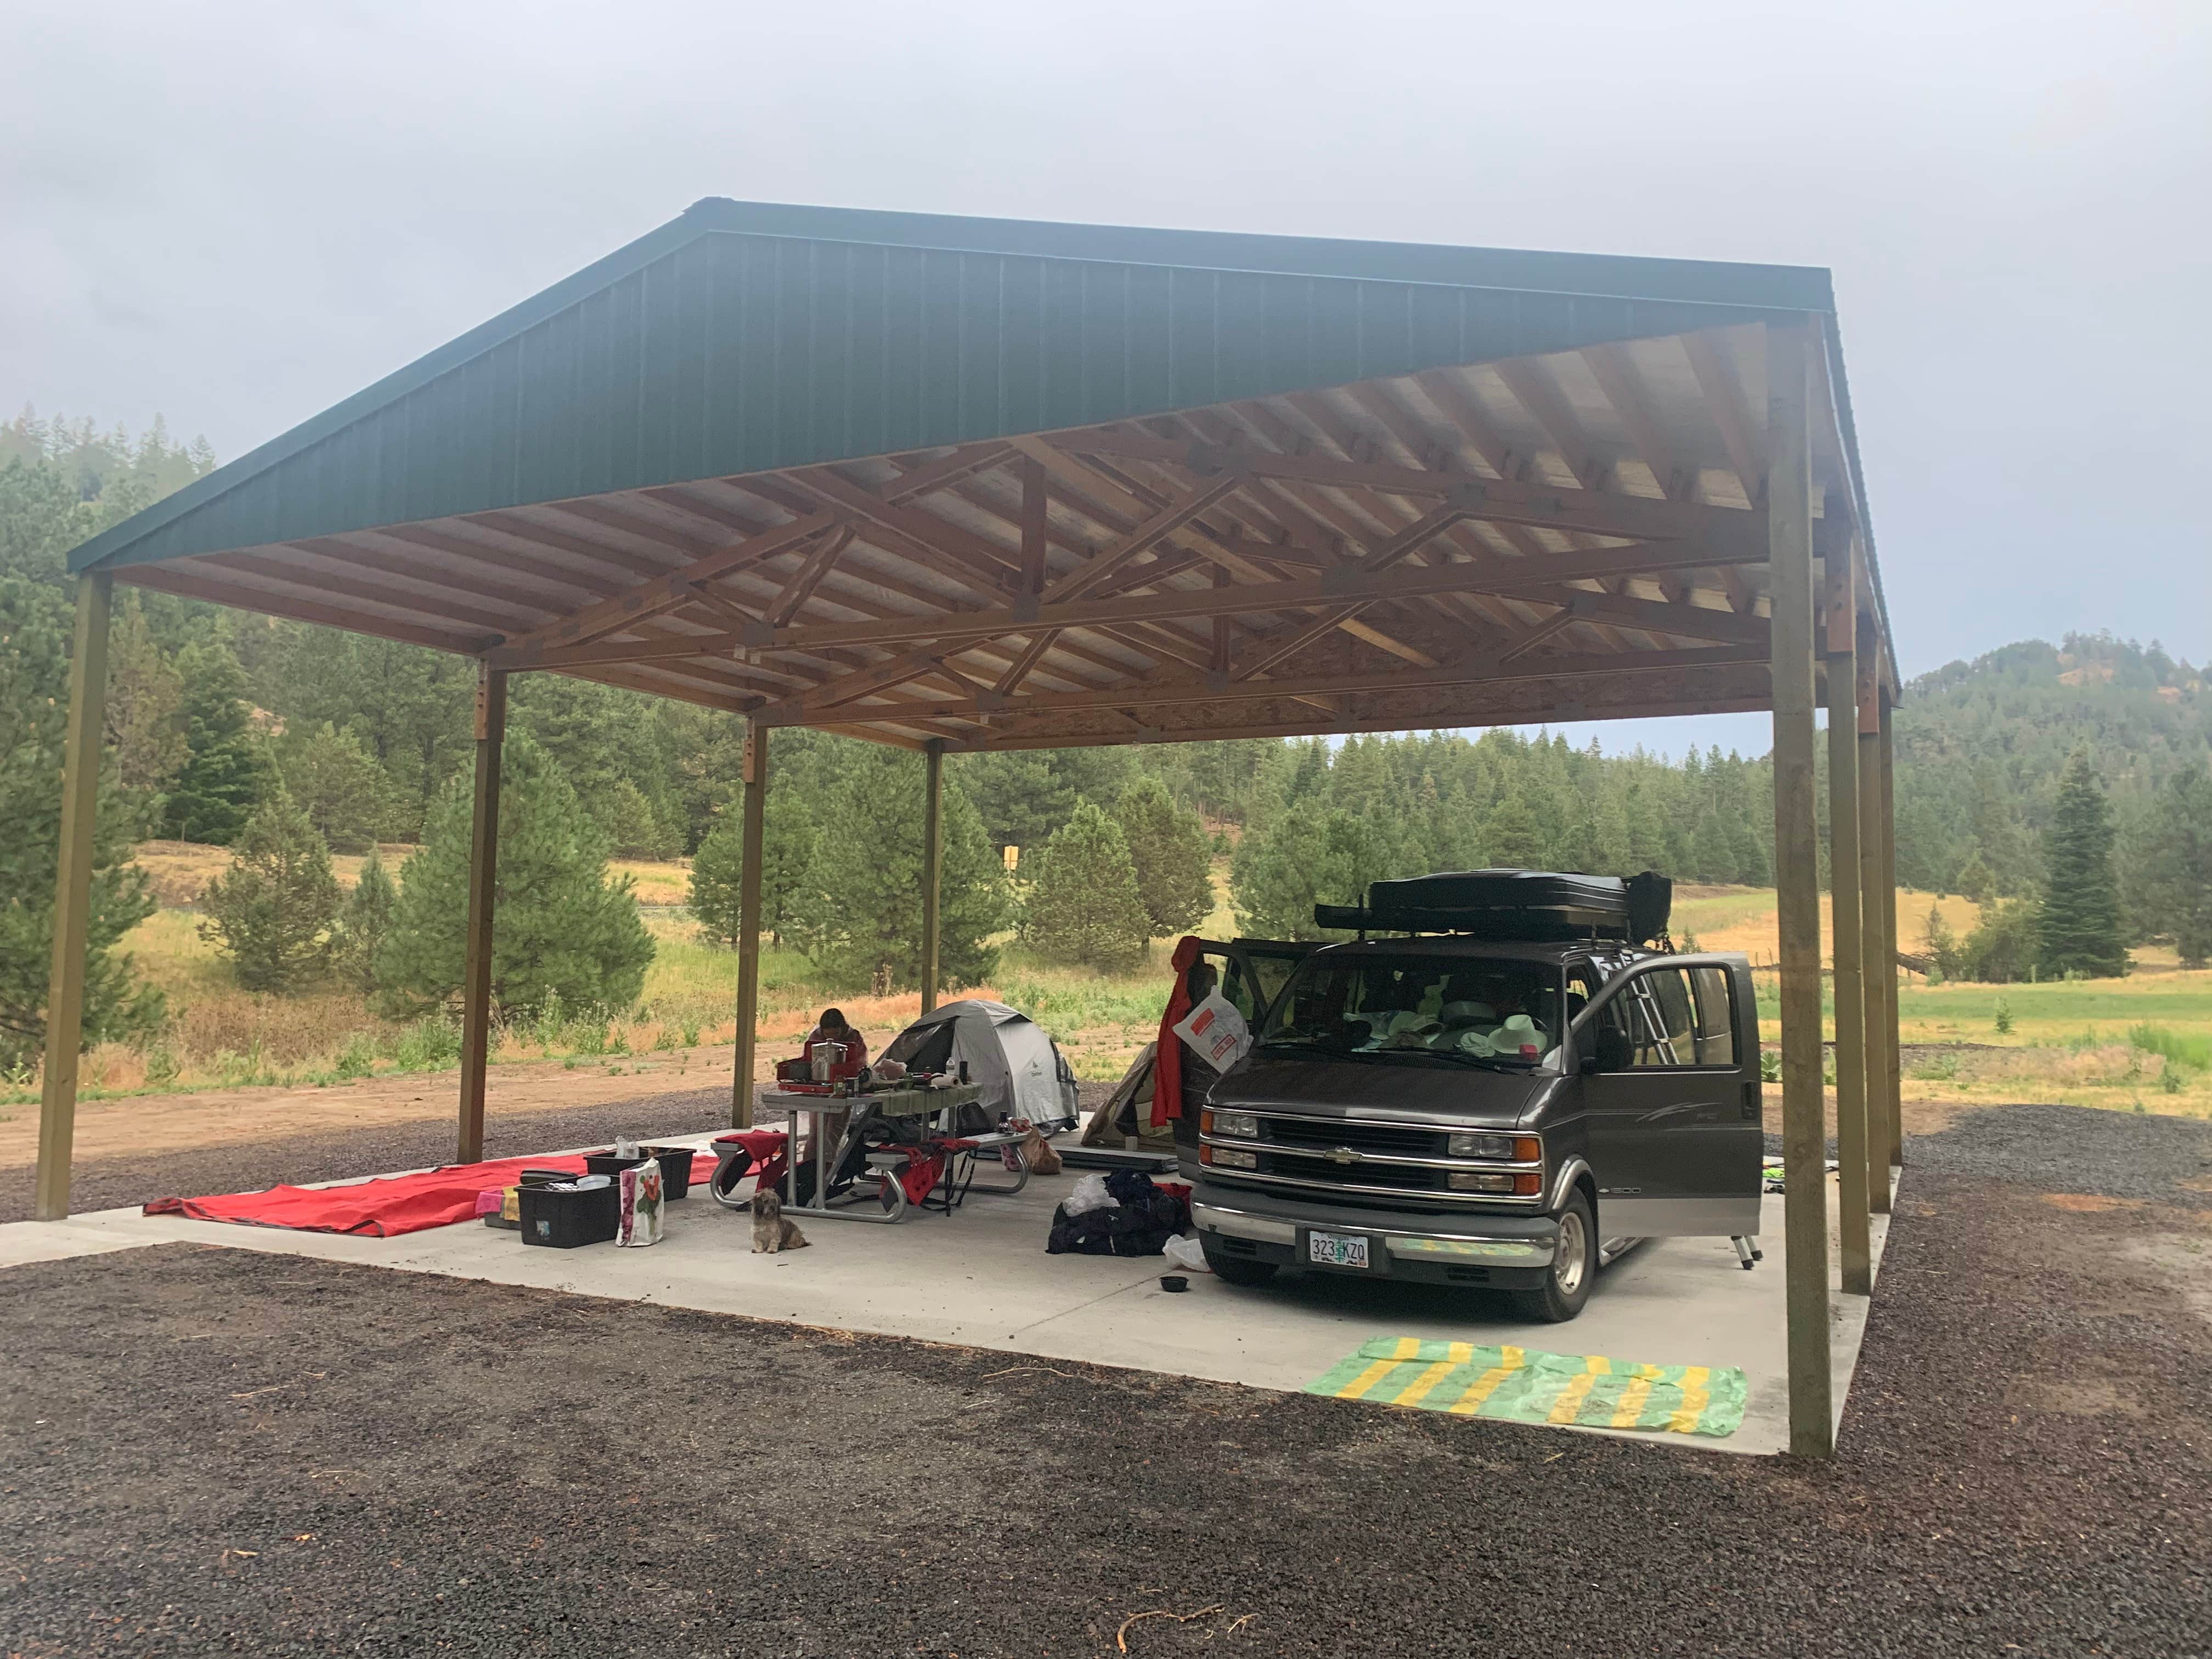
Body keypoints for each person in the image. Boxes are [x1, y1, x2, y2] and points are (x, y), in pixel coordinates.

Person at [803, 1007, 868, 1070]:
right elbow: (808, 1060)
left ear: (843, 1029)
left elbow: (861, 1062)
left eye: (836, 1034)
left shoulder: (854, 1037)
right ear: (822, 1031)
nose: (832, 1038)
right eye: (827, 1034)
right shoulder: (815, 1037)